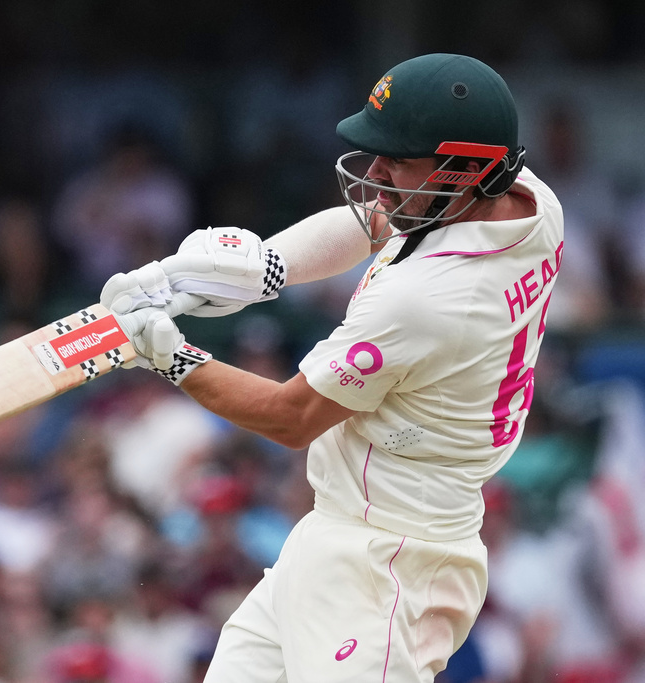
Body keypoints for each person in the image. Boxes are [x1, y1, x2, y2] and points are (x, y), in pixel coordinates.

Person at [98, 53, 563, 682]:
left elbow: (290, 419)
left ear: (464, 168)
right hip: (336, 534)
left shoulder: (429, 301)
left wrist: (165, 353)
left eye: (396, 157)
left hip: (393, 562)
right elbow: (376, 222)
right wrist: (264, 267)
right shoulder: (527, 200)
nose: (375, 171)